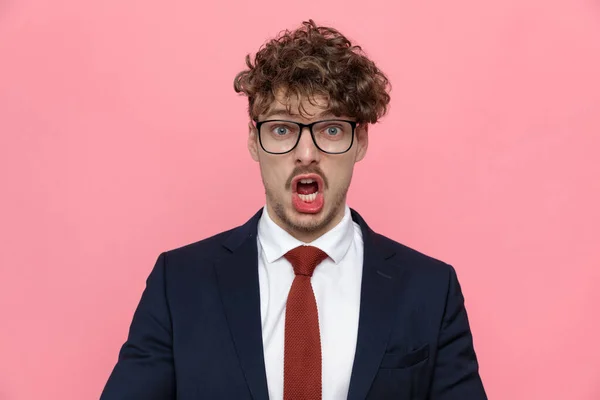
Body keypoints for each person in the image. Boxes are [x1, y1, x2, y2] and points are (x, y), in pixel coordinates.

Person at [100, 19, 487, 400]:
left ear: (361, 140)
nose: (306, 155)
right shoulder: (178, 284)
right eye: (282, 129)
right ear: (254, 140)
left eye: (331, 129)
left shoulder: (430, 290)